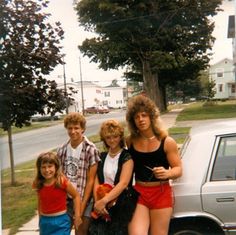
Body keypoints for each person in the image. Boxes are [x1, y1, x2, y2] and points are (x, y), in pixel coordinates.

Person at [126, 95, 182, 235]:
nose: (141, 119)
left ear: (151, 117)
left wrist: (167, 173)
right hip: (139, 193)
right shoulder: (130, 141)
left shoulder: (167, 141)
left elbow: (179, 169)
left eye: (144, 115)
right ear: (133, 121)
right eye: (137, 117)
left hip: (161, 193)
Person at [89, 119, 138, 235]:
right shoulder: (102, 156)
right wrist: (98, 203)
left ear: (120, 137)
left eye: (115, 136)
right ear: (104, 139)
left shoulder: (127, 157)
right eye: (108, 137)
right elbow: (97, 180)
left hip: (120, 204)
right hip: (101, 204)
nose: (112, 140)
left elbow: (123, 183)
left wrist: (105, 201)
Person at [57, 112, 100, 235]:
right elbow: (60, 175)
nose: (73, 131)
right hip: (67, 199)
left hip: (85, 199)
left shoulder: (90, 149)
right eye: (70, 128)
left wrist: (81, 207)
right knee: (62, 231)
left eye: (76, 128)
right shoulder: (62, 149)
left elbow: (90, 180)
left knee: (80, 231)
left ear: (83, 129)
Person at [33, 151, 82, 235]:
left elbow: (76, 196)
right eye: (43, 167)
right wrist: (40, 218)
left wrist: (77, 215)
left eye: (50, 166)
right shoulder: (38, 184)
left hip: (61, 221)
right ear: (39, 169)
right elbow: (40, 202)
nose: (47, 170)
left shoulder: (62, 181)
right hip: (45, 222)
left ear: (56, 167)